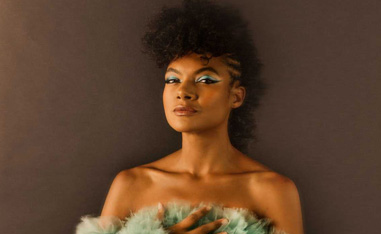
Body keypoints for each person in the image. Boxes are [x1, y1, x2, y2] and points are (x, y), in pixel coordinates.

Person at [75, 0, 304, 234]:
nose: (183, 92)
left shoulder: (272, 190)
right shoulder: (132, 184)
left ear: (236, 96)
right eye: (172, 80)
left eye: (205, 80)